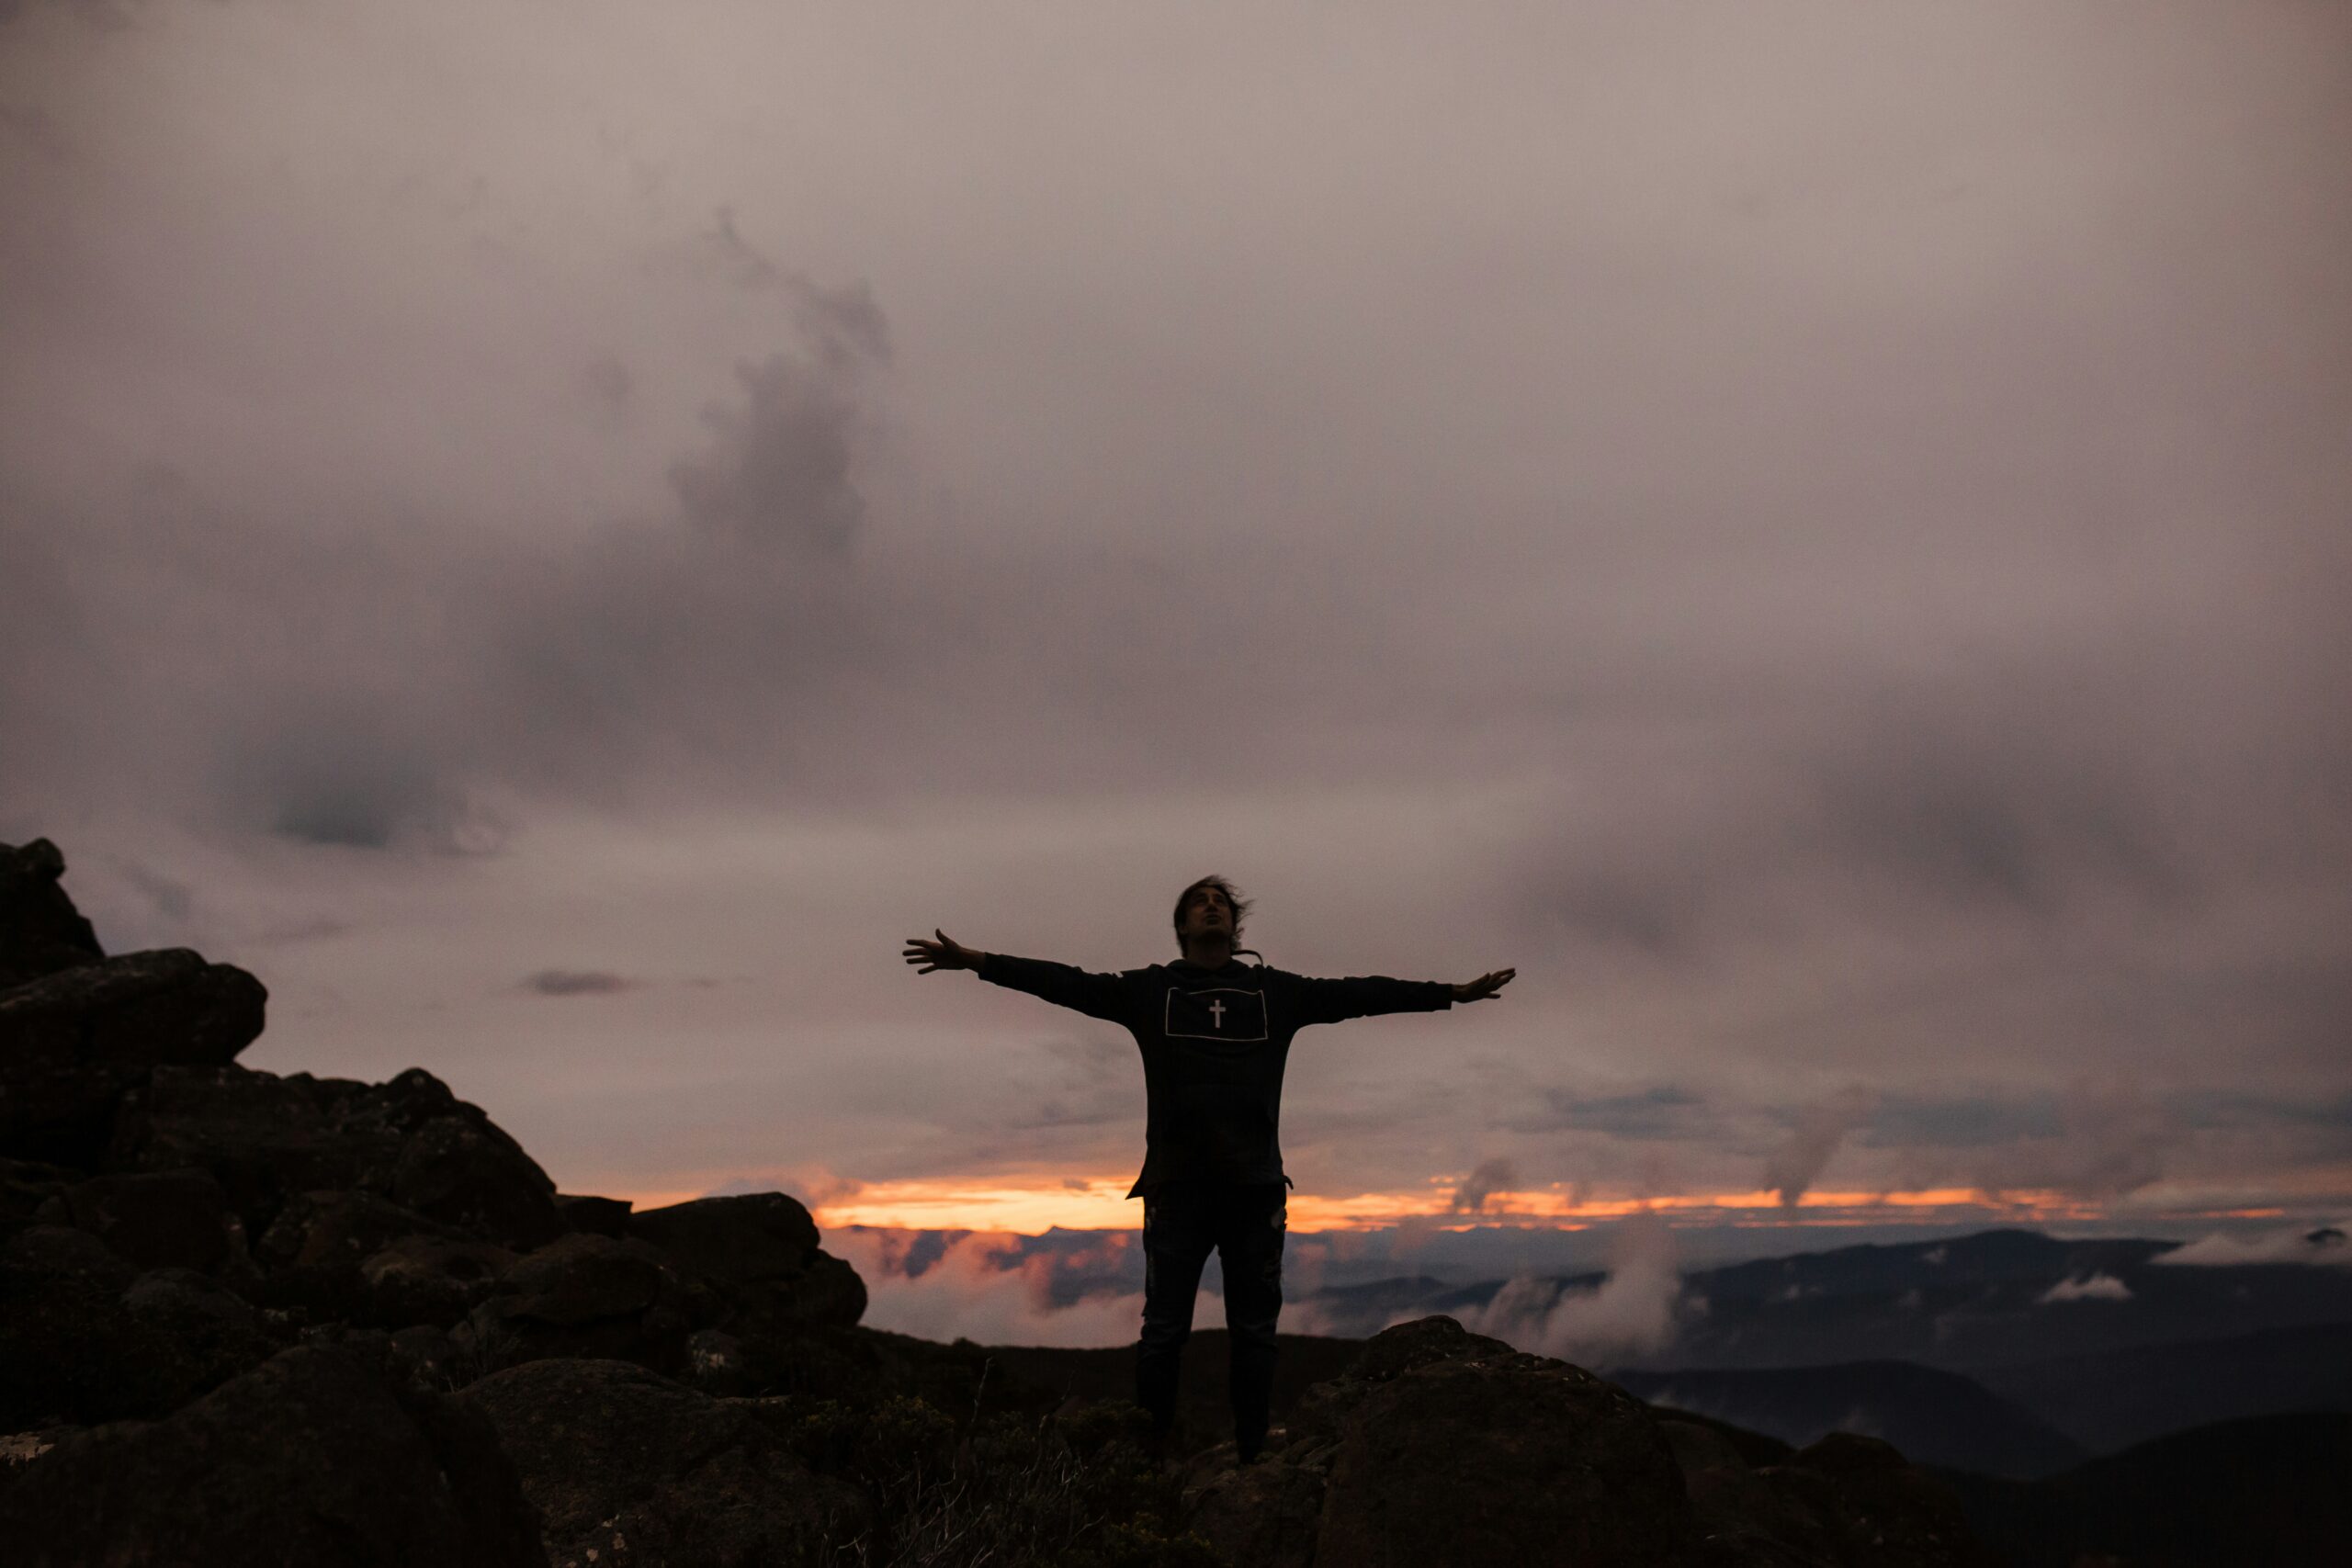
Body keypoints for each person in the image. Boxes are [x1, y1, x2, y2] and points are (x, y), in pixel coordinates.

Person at [902, 874, 1513, 1463]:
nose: (1212, 906)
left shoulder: (1276, 993)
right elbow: (1065, 982)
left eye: (1221, 900)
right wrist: (975, 959)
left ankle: (1251, 1457)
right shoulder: (1151, 991)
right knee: (1164, 1332)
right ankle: (1149, 1459)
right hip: (1177, 1191)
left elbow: (1361, 994)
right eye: (1199, 902)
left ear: (1235, 922)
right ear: (1182, 926)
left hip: (1255, 1192)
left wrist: (1449, 993)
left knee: (1254, 1333)